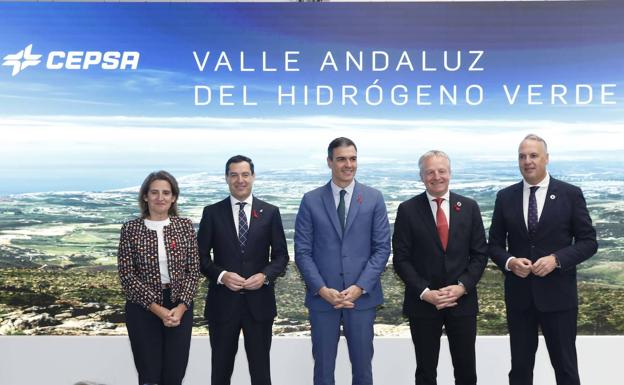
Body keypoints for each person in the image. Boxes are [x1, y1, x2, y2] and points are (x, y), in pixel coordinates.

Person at [488, 134, 598, 385]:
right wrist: (510, 262)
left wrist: (556, 259)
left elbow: (588, 242)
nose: (527, 161)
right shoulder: (505, 197)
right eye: (522, 156)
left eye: (533, 155)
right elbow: (493, 245)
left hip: (559, 298)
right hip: (520, 298)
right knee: (520, 371)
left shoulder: (570, 194)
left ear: (547, 159)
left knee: (566, 370)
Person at [294, 137, 391, 385]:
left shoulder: (374, 198)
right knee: (323, 370)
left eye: (352, 158)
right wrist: (322, 289)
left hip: (362, 299)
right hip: (323, 300)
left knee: (362, 369)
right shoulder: (311, 200)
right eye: (341, 159)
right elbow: (302, 251)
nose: (348, 164)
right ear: (329, 162)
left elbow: (382, 249)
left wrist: (359, 288)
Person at [392, 150, 488, 385]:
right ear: (421, 176)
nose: (436, 176)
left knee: (466, 372)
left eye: (441, 171)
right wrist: (426, 293)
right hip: (423, 304)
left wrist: (462, 287)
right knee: (425, 372)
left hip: (462, 302)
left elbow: (479, 255)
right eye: (429, 172)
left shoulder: (469, 207)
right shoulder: (407, 210)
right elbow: (401, 259)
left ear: (450, 173)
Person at [197, 155, 288, 385]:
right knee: (220, 372)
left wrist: (265, 276)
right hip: (222, 305)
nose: (240, 180)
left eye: (245, 174)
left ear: (253, 177)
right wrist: (222, 276)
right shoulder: (212, 213)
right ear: (226, 178)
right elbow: (200, 257)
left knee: (260, 374)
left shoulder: (270, 212)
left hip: (259, 306)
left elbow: (281, 257)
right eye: (234, 175)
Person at [117, 170, 201, 385]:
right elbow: (127, 275)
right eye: (154, 192)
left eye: (166, 192)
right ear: (145, 196)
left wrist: (181, 307)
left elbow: (193, 271)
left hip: (179, 308)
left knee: (174, 375)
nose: (160, 197)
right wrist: (157, 308)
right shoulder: (130, 229)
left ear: (173, 197)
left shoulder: (184, 227)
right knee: (149, 375)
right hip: (143, 309)